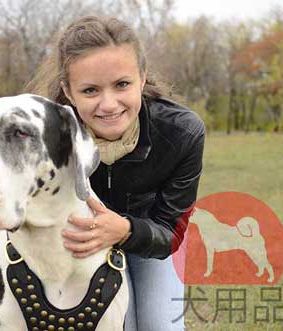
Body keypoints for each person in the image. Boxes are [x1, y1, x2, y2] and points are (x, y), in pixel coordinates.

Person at [26, 16, 205, 331]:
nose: (108, 104)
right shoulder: (45, 137)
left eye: (122, 84)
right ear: (68, 90)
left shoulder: (182, 132)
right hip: (84, 241)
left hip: (153, 234)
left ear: (142, 76)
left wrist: (124, 229)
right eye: (91, 90)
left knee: (158, 326)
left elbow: (171, 233)